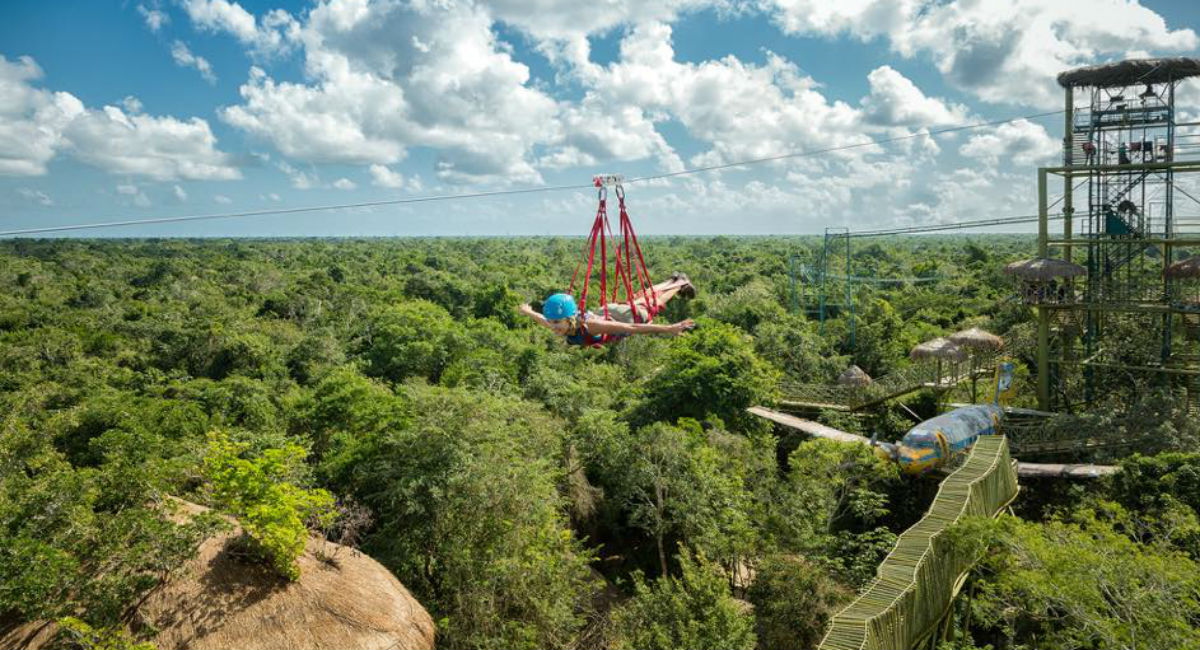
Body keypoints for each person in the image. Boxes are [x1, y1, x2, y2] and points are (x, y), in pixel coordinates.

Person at [519, 274, 697, 345]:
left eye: (556, 322)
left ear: (570, 318)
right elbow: (542, 319)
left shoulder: (590, 325)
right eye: (553, 322)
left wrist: (668, 329)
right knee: (642, 299)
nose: (553, 326)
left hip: (626, 318)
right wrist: (528, 311)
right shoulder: (564, 323)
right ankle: (676, 280)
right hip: (608, 311)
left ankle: (680, 284)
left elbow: (631, 328)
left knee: (651, 304)